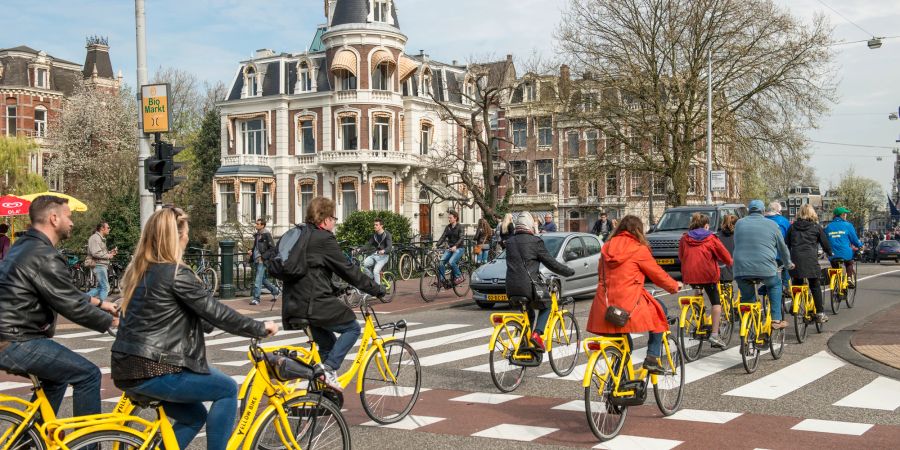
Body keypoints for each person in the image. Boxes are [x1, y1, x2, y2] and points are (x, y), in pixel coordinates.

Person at [111, 206, 278, 450]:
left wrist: (206, 319)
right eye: (186, 232)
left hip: (127, 367)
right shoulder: (176, 273)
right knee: (227, 389)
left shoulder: (140, 272)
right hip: (157, 368)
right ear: (177, 236)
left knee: (194, 417)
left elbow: (180, 314)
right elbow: (217, 312)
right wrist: (260, 328)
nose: (188, 237)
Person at [0, 196, 118, 420]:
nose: (72, 222)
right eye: (68, 216)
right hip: (15, 339)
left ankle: (29, 439)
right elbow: (71, 305)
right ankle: (87, 443)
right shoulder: (44, 255)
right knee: (89, 375)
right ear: (54, 218)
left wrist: (101, 303)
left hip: (8, 335)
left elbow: (63, 291)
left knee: (56, 379)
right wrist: (113, 322)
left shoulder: (24, 246)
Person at [282, 197, 384, 391]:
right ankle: (328, 369)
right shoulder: (324, 239)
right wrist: (376, 288)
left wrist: (336, 289)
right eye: (334, 218)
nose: (335, 222)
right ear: (326, 219)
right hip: (313, 304)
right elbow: (347, 269)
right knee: (352, 328)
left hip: (294, 304)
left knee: (328, 344)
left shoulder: (301, 235)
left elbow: (312, 272)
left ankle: (321, 398)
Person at [586, 215, 682, 373]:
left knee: (623, 344)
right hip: (630, 302)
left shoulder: (607, 247)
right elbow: (657, 274)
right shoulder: (638, 249)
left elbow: (600, 274)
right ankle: (652, 357)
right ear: (638, 230)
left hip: (605, 304)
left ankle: (617, 382)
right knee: (660, 313)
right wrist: (674, 286)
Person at [505, 212, 574, 350]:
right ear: (530, 225)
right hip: (529, 286)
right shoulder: (535, 242)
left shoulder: (509, 242)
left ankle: (526, 345)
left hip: (511, 288)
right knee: (546, 305)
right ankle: (537, 335)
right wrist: (568, 271)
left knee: (529, 314)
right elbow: (551, 263)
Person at [733, 200, 793, 330]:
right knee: (775, 284)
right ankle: (776, 319)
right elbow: (782, 248)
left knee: (747, 297)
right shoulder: (772, 224)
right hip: (765, 268)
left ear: (749, 211)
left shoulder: (739, 223)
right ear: (762, 211)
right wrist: (788, 264)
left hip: (741, 268)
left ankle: (748, 321)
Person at [678, 213, 733, 349]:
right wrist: (730, 262)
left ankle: (699, 318)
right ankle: (714, 334)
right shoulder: (711, 237)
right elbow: (724, 255)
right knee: (716, 303)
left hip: (690, 275)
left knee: (698, 289)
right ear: (706, 225)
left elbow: (681, 256)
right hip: (708, 275)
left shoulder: (685, 238)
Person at [786, 204, 832, 323]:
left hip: (795, 260)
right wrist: (829, 252)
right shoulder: (816, 227)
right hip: (810, 260)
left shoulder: (792, 227)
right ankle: (820, 313)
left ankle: (794, 304)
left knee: (797, 282)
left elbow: (786, 244)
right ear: (812, 213)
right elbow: (825, 243)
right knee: (815, 285)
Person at [825, 206, 863, 289]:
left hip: (832, 253)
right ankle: (849, 278)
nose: (846, 215)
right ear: (842, 215)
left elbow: (825, 240)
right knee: (849, 262)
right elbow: (854, 240)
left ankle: (835, 282)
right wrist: (860, 246)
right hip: (845, 252)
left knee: (835, 266)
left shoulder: (828, 227)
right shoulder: (848, 225)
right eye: (845, 214)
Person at [248, 219, 281, 305]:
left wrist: (263, 257)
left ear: (263, 225)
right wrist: (251, 251)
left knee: (258, 280)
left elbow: (272, 248)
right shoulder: (257, 235)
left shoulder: (266, 235)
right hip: (256, 259)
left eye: (258, 224)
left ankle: (256, 299)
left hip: (261, 261)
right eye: (256, 223)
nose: (256, 225)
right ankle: (275, 291)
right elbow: (256, 247)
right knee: (262, 280)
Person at [764, 202, 792, 296]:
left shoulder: (763, 220)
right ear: (779, 211)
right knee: (787, 265)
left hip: (765, 255)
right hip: (779, 255)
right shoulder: (784, 221)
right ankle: (786, 286)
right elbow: (789, 238)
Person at [86, 222, 117, 301]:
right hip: (98, 265)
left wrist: (110, 253)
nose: (109, 229)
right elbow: (96, 253)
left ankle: (81, 300)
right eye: (108, 227)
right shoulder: (95, 238)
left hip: (101, 264)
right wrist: (108, 256)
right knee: (105, 288)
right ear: (102, 228)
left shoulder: (100, 238)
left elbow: (100, 252)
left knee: (100, 287)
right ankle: (101, 307)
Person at [436, 210, 465, 286]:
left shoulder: (460, 227)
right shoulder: (448, 227)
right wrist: (437, 245)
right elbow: (443, 237)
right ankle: (442, 280)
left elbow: (461, 238)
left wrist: (456, 246)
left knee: (451, 262)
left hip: (459, 248)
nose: (449, 219)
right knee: (441, 262)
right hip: (450, 248)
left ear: (455, 218)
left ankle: (459, 276)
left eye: (450, 218)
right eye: (448, 218)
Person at [362, 218, 392, 282]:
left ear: (381, 226)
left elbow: (389, 247)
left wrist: (384, 250)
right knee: (363, 265)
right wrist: (359, 249)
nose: (374, 226)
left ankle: (378, 290)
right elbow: (368, 244)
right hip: (375, 255)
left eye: (376, 225)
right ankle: (372, 277)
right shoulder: (374, 235)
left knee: (376, 271)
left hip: (383, 257)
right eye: (374, 225)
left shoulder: (387, 234)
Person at [717, 214, 738, 283]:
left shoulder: (717, 237)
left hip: (720, 269)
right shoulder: (739, 236)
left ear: (723, 222)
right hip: (735, 269)